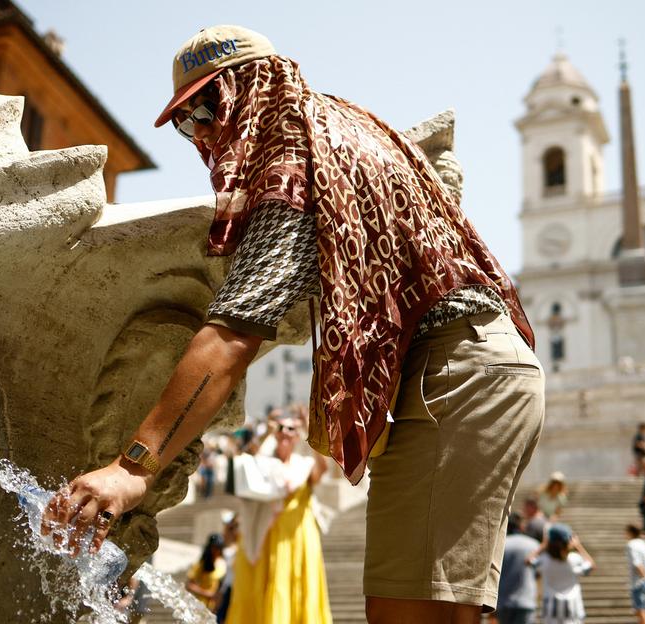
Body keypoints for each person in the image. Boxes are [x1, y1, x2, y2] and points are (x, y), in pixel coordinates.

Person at [40, 24, 543, 624]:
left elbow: (233, 333)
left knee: (414, 615)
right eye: (183, 122)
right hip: (468, 374)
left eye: (205, 109)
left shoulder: (292, 156)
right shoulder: (343, 124)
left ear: (249, 90)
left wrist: (131, 469)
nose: (199, 133)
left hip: (456, 380)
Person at [226, 414, 331, 623]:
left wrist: (312, 432)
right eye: (281, 428)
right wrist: (266, 430)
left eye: (291, 429)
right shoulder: (264, 466)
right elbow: (244, 459)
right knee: (271, 583)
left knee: (302, 585)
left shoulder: (304, 464)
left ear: (297, 436)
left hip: (300, 536)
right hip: (269, 533)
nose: (285, 432)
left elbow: (322, 471)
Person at [527, 524, 595, 624]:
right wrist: (578, 546)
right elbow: (591, 565)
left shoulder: (544, 561)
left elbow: (528, 560)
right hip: (573, 608)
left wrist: (543, 545)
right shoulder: (574, 560)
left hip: (550, 609)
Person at [494, 512, 540, 624]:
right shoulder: (534, 545)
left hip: (503, 601)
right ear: (521, 526)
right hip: (526, 600)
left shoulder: (500, 545)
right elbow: (539, 573)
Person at [186, 533, 227, 612]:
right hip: (201, 606)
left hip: (218, 607)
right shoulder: (201, 565)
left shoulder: (223, 564)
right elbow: (189, 585)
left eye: (219, 548)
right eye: (214, 548)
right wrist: (207, 593)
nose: (216, 551)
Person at [625, 524, 645, 624]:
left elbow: (637, 563)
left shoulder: (631, 544)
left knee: (641, 611)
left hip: (638, 582)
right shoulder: (644, 544)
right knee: (644, 610)